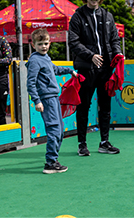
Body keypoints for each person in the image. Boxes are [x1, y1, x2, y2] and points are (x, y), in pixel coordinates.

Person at [68, 0, 122, 156]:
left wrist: (117, 54)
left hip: (105, 69)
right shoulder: (77, 16)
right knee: (83, 106)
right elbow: (73, 42)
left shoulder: (107, 16)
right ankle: (82, 144)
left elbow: (114, 39)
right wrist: (90, 55)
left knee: (105, 105)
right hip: (85, 69)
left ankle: (104, 142)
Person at [26, 28, 77, 174]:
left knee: (59, 128)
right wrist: (37, 101)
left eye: (46, 43)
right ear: (34, 45)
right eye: (40, 44)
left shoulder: (46, 58)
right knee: (54, 129)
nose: (44, 46)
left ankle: (53, 159)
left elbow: (54, 69)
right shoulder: (35, 60)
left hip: (54, 98)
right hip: (46, 99)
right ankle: (50, 162)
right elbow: (31, 83)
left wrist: (69, 71)